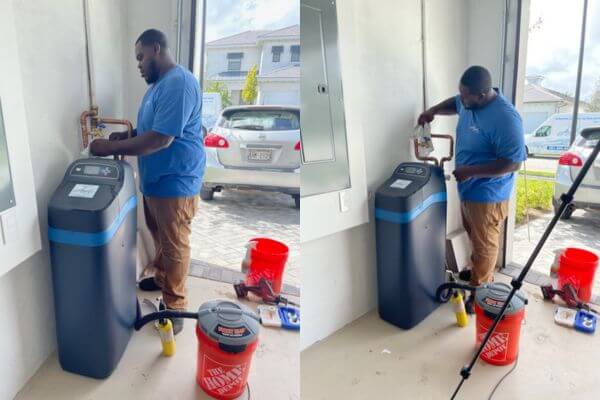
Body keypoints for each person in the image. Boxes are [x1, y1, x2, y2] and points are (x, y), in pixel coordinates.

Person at [90, 29, 205, 333]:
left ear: (157, 49)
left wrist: (109, 149)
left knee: (175, 244)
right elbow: (147, 131)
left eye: (141, 57)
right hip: (156, 181)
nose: (138, 64)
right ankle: (164, 279)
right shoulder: (157, 87)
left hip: (175, 182)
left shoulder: (178, 83)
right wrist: (123, 136)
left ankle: (175, 307)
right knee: (161, 237)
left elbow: (161, 139)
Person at [417, 65, 526, 312]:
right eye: (460, 93)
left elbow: (513, 162)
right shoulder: (468, 101)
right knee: (475, 237)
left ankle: (480, 294)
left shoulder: (505, 118)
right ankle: (478, 274)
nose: (461, 100)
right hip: (468, 189)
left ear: (483, 94)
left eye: (466, 96)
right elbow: (454, 104)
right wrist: (433, 111)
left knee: (485, 242)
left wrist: (471, 171)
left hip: (488, 195)